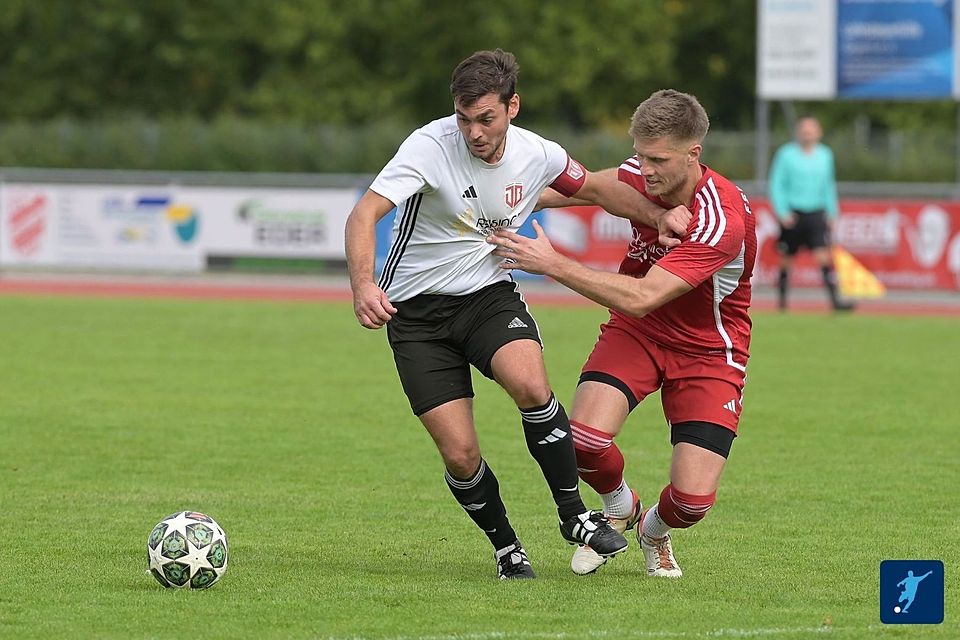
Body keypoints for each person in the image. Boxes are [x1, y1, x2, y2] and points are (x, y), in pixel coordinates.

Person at [344, 50, 689, 580]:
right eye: (464, 118)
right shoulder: (428, 146)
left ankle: (573, 516)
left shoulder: (538, 153)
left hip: (488, 296)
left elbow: (598, 189)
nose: (474, 132)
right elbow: (365, 213)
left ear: (512, 108)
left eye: (486, 118)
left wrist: (660, 215)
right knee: (460, 455)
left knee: (531, 386)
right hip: (416, 318)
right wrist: (364, 284)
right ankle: (507, 548)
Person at [488, 89, 756, 578]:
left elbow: (643, 294)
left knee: (692, 503)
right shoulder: (639, 177)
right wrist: (485, 198)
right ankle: (620, 502)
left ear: (693, 155)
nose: (644, 169)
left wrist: (551, 264)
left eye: (657, 159)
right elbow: (579, 188)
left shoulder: (721, 218)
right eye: (639, 154)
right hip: (638, 333)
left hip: (709, 350)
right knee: (582, 440)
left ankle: (654, 529)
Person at [768, 116, 854, 311]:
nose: (807, 133)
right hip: (793, 214)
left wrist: (833, 212)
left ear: (818, 132)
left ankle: (835, 301)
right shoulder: (786, 154)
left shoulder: (825, 155)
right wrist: (782, 212)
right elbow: (777, 184)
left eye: (811, 129)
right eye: (804, 129)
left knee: (823, 255)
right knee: (786, 258)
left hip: (816, 212)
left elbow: (828, 186)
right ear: (798, 132)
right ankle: (782, 302)